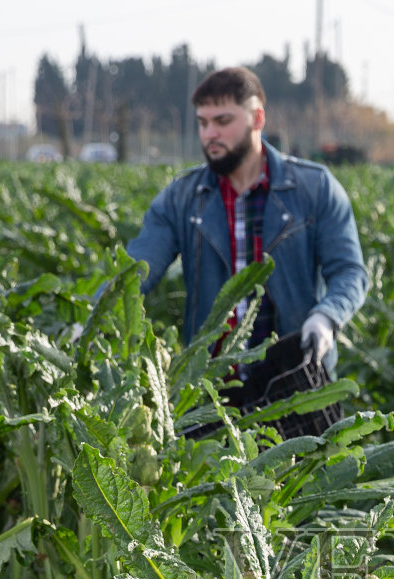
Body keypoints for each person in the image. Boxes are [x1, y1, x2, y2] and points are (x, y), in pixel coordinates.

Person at [125, 66, 368, 373]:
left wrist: (327, 317)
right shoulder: (181, 198)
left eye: (222, 121)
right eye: (203, 123)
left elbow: (349, 271)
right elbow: (138, 267)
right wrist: (93, 315)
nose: (210, 133)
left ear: (257, 118)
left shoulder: (315, 188)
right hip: (212, 389)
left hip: (296, 379)